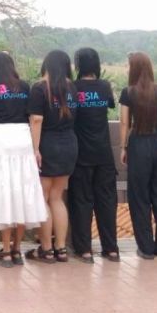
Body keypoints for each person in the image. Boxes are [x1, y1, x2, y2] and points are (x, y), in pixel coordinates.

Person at [0, 51, 45, 268]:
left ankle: (6, 252)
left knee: (5, 193)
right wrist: (35, 149)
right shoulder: (24, 86)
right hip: (23, 139)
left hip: (1, 139)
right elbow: (32, 117)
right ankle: (17, 249)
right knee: (22, 192)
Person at [119, 52, 157, 260]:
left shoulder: (128, 92)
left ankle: (146, 248)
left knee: (140, 198)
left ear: (133, 68)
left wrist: (123, 147)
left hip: (138, 145)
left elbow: (124, 123)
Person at [67, 48, 119, 263]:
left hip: (81, 154)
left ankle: (85, 250)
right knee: (106, 202)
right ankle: (111, 249)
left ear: (78, 65)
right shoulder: (104, 87)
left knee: (81, 202)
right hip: (104, 154)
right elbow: (110, 105)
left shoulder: (73, 88)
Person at [26, 50, 78, 263]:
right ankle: (61, 248)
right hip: (69, 144)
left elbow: (36, 120)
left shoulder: (40, 88)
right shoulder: (71, 88)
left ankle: (46, 249)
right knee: (57, 197)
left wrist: (35, 149)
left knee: (43, 198)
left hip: (47, 145)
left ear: (46, 65)